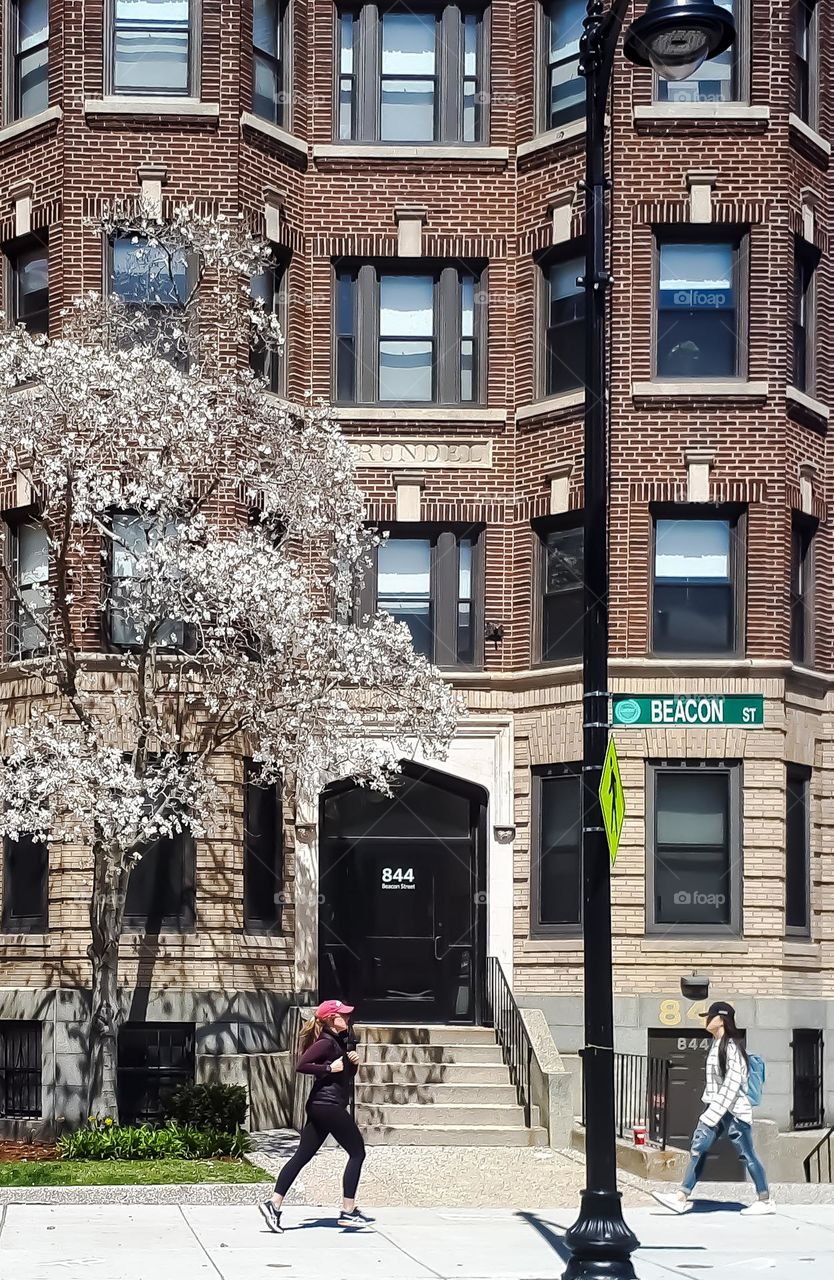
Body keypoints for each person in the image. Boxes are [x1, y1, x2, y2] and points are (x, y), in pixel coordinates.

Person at [259, 999, 369, 1234]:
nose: (348, 1019)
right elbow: (302, 1065)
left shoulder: (340, 1042)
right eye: (343, 1015)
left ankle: (273, 1205)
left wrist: (353, 1064)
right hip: (327, 1106)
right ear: (331, 1019)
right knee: (357, 1152)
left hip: (323, 1105)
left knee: (302, 1156)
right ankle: (348, 1212)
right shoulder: (326, 1043)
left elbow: (342, 1078)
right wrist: (329, 1068)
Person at [655, 1001, 774, 1216]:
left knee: (747, 1154)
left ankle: (765, 1200)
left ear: (721, 1020)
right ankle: (681, 1197)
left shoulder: (731, 1049)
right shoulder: (716, 1044)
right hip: (718, 1109)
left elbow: (732, 1084)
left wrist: (711, 1114)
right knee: (698, 1150)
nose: (706, 1020)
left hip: (734, 1112)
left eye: (709, 1016)